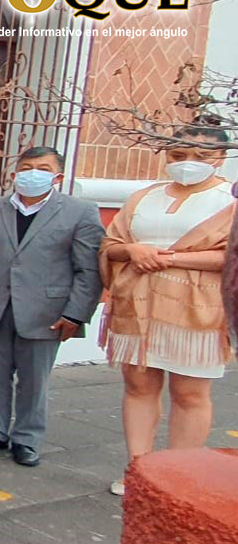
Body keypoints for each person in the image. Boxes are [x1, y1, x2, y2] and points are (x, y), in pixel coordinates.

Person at [98, 133, 233, 496]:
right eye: (178, 153)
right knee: (138, 386)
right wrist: (133, 249)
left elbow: (230, 256)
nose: (187, 160)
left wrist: (168, 259)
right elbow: (110, 245)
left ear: (219, 157)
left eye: (200, 154)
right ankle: (139, 469)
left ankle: (180, 475)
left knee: (189, 392)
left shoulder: (230, 199)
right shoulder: (145, 197)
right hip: (137, 305)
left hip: (199, 310)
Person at [0, 146, 103, 467]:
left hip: (46, 311)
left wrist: (76, 313)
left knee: (34, 379)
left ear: (57, 176)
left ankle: (26, 438)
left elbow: (88, 270)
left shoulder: (80, 212)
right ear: (15, 173)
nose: (33, 173)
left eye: (42, 168)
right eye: (26, 167)